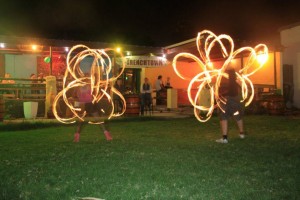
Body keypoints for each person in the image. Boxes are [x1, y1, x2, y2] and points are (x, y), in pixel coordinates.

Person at [216, 69, 245, 144]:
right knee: (237, 115)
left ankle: (224, 138)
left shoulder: (223, 79)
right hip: (235, 98)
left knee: (224, 117)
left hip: (225, 99)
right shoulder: (236, 79)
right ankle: (242, 134)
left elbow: (220, 89)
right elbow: (243, 87)